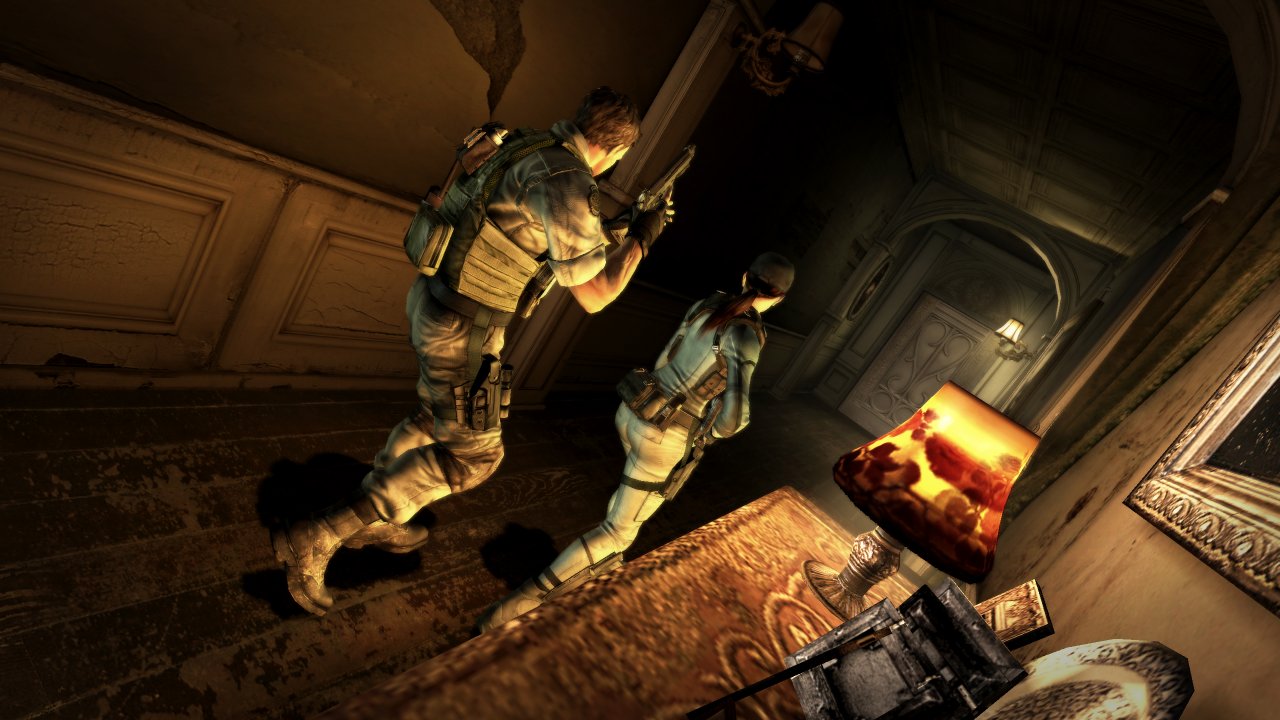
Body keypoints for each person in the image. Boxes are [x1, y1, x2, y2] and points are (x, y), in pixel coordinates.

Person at [273, 87, 672, 616]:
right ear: (617, 150)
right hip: (464, 328)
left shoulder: (524, 143)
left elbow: (526, 228)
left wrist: (618, 229)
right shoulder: (568, 180)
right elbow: (595, 294)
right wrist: (642, 237)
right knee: (475, 456)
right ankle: (324, 532)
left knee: (431, 416)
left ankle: (382, 517)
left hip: (432, 298)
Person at [476, 251, 796, 632]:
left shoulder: (708, 304)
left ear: (745, 275)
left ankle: (588, 578)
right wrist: (704, 435)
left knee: (623, 509)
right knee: (618, 532)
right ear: (778, 298)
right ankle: (513, 609)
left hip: (634, 411)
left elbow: (664, 360)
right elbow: (735, 418)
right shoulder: (746, 335)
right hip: (664, 439)